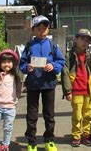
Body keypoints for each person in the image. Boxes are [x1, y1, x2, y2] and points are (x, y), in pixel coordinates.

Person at [19, 15, 66, 151]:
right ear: (33, 30)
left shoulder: (53, 45)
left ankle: (49, 140)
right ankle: (31, 142)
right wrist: (26, 67)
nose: (42, 31)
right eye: (38, 28)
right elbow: (22, 63)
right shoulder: (29, 46)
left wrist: (53, 66)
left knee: (49, 114)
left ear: (48, 29)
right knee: (32, 115)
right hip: (33, 84)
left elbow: (61, 61)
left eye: (44, 28)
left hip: (49, 84)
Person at [61, 29, 91, 147]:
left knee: (88, 114)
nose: (85, 42)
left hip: (88, 90)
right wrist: (67, 91)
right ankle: (76, 135)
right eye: (82, 39)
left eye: (87, 40)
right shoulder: (69, 56)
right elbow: (65, 73)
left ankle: (87, 135)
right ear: (75, 39)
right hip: (76, 91)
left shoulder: (90, 56)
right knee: (77, 115)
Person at [0, 49, 21, 151]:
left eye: (9, 62)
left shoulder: (15, 77)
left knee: (7, 128)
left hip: (10, 107)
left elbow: (19, 90)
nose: (7, 64)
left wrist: (16, 100)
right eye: (4, 62)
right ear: (0, 64)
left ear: (13, 64)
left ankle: (5, 144)